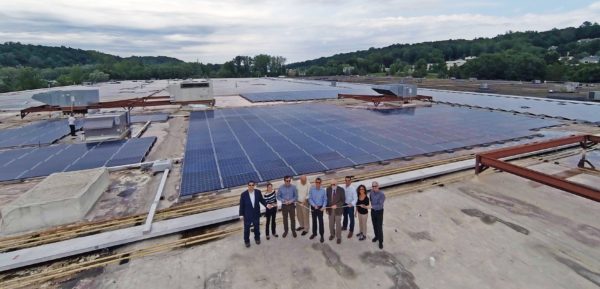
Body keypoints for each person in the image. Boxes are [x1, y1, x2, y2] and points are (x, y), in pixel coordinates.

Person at [239, 180, 271, 248]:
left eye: (252, 185)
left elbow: (262, 200)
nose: (251, 186)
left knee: (256, 227)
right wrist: (241, 214)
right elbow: (241, 205)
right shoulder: (243, 194)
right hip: (247, 214)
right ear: (247, 186)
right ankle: (247, 241)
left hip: (256, 213)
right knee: (246, 229)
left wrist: (266, 205)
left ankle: (257, 238)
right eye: (249, 185)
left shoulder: (258, 192)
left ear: (254, 185)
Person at [326, 178, 345, 244]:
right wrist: (327, 209)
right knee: (331, 224)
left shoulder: (341, 190)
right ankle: (332, 234)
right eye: (331, 184)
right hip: (330, 210)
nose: (332, 186)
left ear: (337, 184)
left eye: (333, 184)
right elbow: (327, 200)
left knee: (338, 224)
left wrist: (336, 205)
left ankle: (339, 237)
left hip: (338, 210)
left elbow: (343, 200)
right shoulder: (328, 189)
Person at [308, 177, 327, 243]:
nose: (318, 184)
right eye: (316, 182)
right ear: (315, 182)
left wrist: (323, 206)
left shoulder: (323, 190)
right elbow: (310, 199)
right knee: (314, 221)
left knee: (321, 222)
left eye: (319, 182)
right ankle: (314, 233)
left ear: (321, 183)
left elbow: (325, 200)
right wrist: (314, 205)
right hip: (314, 207)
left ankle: (322, 235)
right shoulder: (312, 189)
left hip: (320, 208)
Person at [370, 181, 385, 249]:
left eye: (375, 186)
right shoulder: (371, 192)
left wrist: (372, 207)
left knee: (379, 227)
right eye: (373, 186)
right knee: (374, 225)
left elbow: (380, 205)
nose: (374, 188)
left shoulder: (382, 194)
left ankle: (381, 242)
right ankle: (376, 236)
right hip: (373, 211)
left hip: (379, 212)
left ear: (378, 186)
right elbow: (371, 200)